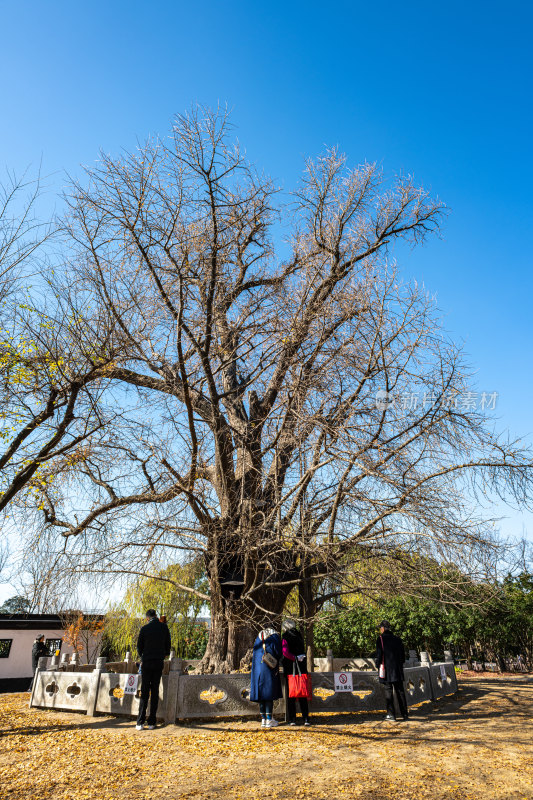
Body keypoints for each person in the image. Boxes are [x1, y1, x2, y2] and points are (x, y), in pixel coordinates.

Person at [135, 609, 171, 731]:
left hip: (147, 663)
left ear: (147, 618)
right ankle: (152, 722)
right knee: (155, 691)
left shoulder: (144, 629)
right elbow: (168, 646)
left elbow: (139, 647)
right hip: (158, 662)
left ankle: (140, 722)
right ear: (156, 616)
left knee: (144, 691)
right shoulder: (164, 628)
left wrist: (143, 656)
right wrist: (163, 654)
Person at [375, 620, 408, 721]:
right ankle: (405, 714)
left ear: (383, 628)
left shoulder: (380, 639)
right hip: (397, 669)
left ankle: (391, 715)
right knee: (400, 691)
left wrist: (377, 665)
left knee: (388, 691)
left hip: (387, 669)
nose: (380, 630)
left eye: (380, 628)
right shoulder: (398, 639)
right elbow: (403, 657)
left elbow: (379, 656)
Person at [250, 625, 282, 728]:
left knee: (261, 695)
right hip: (269, 669)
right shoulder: (274, 637)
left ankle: (263, 719)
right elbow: (278, 652)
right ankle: (269, 720)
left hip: (257, 670)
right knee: (268, 695)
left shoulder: (259, 637)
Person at [281, 619, 310, 726]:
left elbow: (285, 652)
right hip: (301, 668)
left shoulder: (285, 637)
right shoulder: (299, 635)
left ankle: (292, 719)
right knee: (302, 694)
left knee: (291, 695)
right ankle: (306, 718)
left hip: (291, 669)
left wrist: (294, 658)